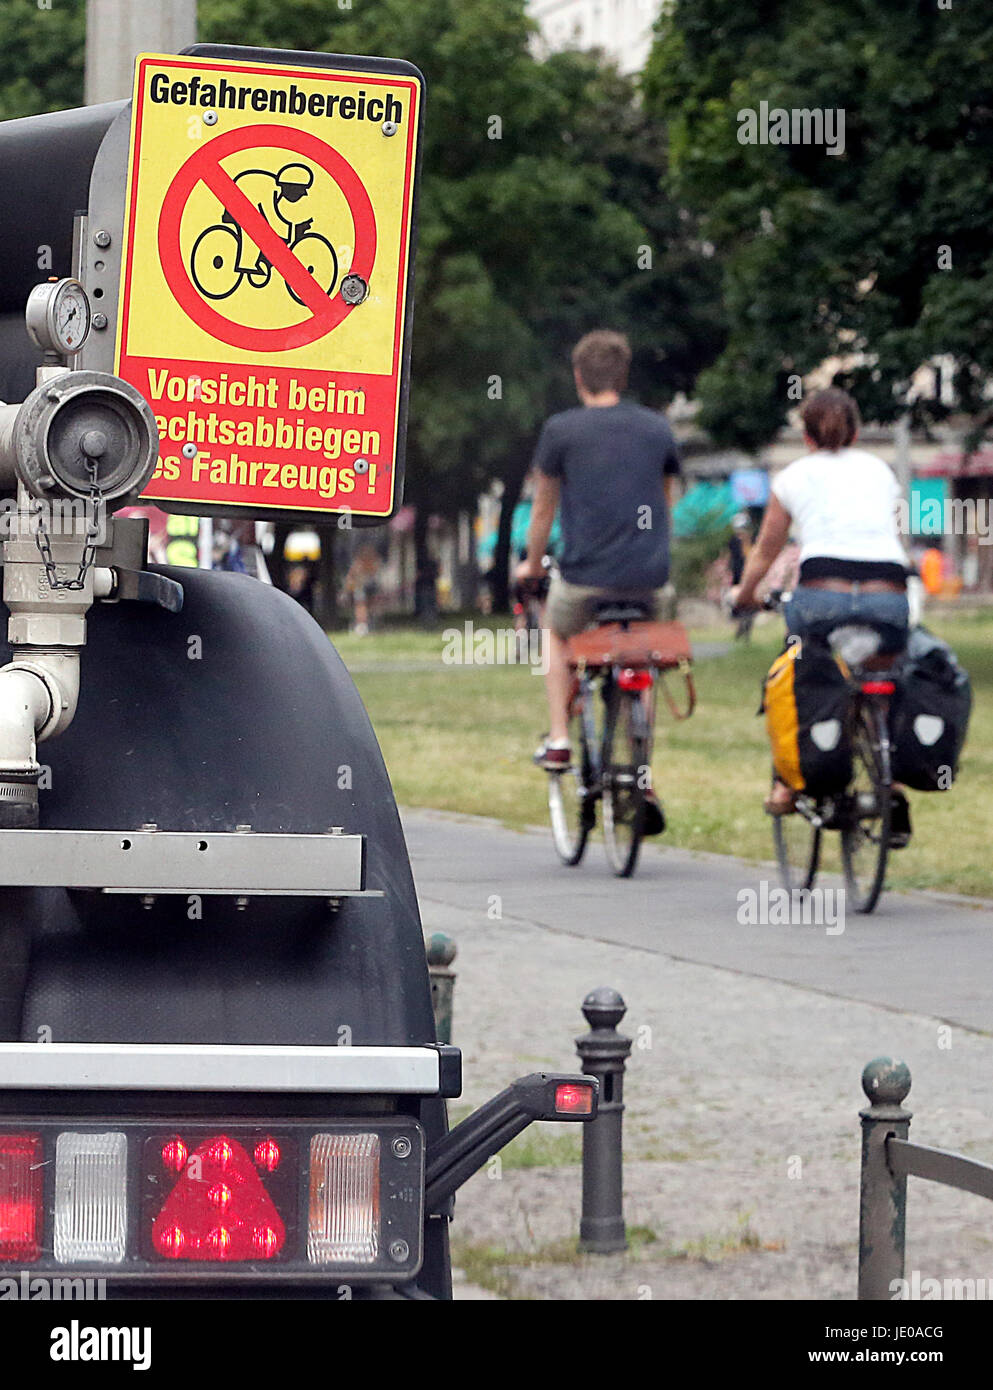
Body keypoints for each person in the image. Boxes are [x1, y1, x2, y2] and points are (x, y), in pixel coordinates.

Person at [515, 329, 681, 826]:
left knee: (556, 633)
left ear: (578, 377)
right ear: (624, 376)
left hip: (585, 581)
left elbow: (542, 512)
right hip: (650, 580)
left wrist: (531, 564)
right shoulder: (658, 429)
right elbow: (668, 499)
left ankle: (561, 738)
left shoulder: (561, 431)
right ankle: (642, 771)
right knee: (643, 651)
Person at [729, 388, 912, 829]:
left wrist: (744, 594)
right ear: (856, 431)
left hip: (821, 598)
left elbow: (767, 550)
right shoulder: (880, 471)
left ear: (806, 436)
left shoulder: (792, 476)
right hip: (888, 595)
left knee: (793, 675)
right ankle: (891, 780)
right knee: (883, 675)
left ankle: (786, 784)